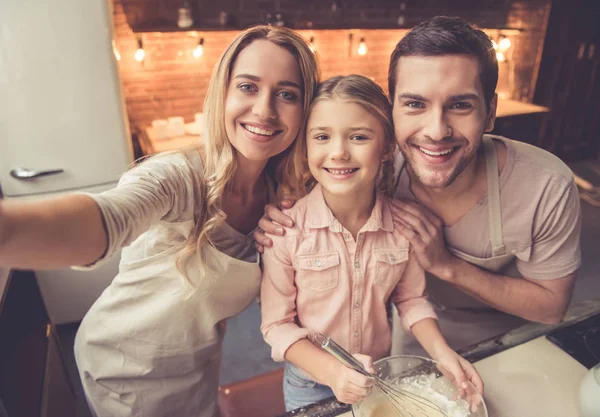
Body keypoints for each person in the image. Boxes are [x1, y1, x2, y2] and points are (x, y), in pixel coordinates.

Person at [0, 25, 319, 417]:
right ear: (223, 93)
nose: (265, 110)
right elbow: (107, 217)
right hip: (125, 370)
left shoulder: (278, 198)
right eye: (248, 87)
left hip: (199, 365)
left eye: (287, 94)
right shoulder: (177, 177)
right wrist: (8, 229)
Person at [255, 16, 581, 355]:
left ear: (489, 112)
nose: (436, 131)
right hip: (407, 350)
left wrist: (446, 265)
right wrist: (271, 217)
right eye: (415, 104)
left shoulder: (545, 186)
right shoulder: (368, 169)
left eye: (459, 105)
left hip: (514, 347)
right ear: (391, 110)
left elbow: (551, 307)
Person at [260, 74, 483, 412]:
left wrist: (442, 353)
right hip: (309, 383)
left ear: (387, 148)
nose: (338, 152)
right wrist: (333, 372)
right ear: (306, 147)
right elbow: (277, 326)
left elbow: (411, 300)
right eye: (322, 136)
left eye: (359, 137)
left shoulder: (403, 225)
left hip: (375, 377)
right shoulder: (286, 230)